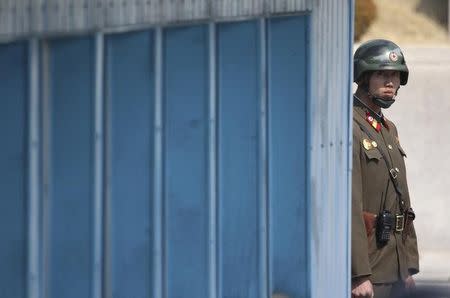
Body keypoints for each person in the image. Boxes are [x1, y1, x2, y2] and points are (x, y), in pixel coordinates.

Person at [351, 39, 419, 298]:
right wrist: (359, 274)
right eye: (382, 74)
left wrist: (409, 265)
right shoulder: (351, 126)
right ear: (364, 77)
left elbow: (404, 200)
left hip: (396, 264)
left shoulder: (388, 129)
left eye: (395, 75)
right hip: (370, 269)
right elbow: (351, 204)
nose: (390, 82)